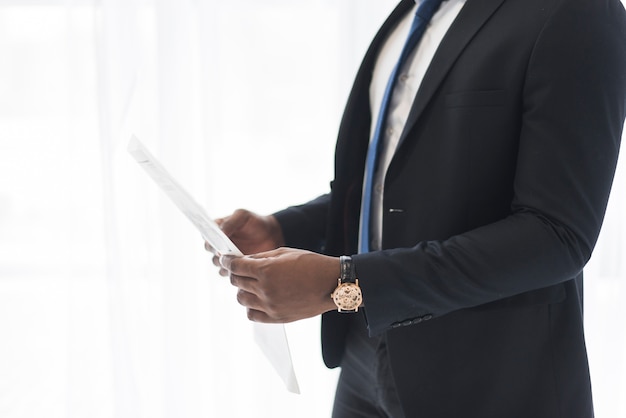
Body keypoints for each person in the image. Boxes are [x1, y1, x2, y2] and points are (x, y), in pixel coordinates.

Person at [206, 0, 626, 416]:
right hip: (361, 355)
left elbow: (556, 235)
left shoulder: (577, 10)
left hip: (487, 379)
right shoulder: (410, 14)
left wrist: (345, 283)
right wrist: (284, 228)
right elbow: (395, 186)